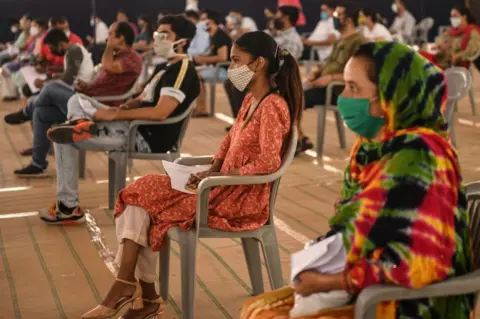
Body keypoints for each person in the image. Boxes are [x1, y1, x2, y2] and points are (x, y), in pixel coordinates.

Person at [240, 41, 475, 319]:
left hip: (412, 303)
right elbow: (358, 226)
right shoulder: (371, 147)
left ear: (390, 97)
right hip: (367, 283)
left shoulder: (420, 157)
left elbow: (417, 265)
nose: (344, 97)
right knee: (257, 309)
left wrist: (328, 282)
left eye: (354, 88)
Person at [78, 29, 302, 319]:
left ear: (259, 64)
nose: (231, 68)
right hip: (221, 186)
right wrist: (212, 168)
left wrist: (222, 175)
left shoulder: (273, 105)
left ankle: (136, 292)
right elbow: (228, 142)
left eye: (236, 61)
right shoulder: (250, 100)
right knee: (138, 194)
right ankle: (138, 292)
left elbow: (268, 163)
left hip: (239, 199)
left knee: (142, 198)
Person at [40, 14, 199, 229]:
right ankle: (79, 122)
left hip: (142, 135)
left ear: (183, 41)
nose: (158, 38)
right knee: (77, 99)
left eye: (165, 34)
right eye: (157, 33)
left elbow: (160, 113)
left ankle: (68, 207)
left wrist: (114, 115)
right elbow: (141, 99)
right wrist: (122, 108)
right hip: (130, 124)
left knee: (62, 139)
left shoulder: (182, 71)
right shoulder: (165, 68)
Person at [4, 22, 141, 177]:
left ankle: (26, 111)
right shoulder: (116, 56)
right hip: (88, 98)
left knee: (49, 88)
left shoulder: (132, 58)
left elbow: (108, 66)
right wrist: (86, 87)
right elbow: (105, 76)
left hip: (98, 106)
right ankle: (38, 164)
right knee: (41, 112)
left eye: (110, 34)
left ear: (121, 38)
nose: (107, 38)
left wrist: (109, 47)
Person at [298, 5, 365, 154]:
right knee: (289, 96)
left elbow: (359, 75)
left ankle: (298, 140)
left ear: (347, 20)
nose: (333, 18)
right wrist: (315, 73)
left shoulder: (359, 42)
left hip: (337, 90)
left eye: (337, 15)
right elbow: (328, 63)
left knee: (294, 100)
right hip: (324, 86)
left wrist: (331, 77)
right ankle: (299, 139)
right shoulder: (340, 40)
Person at [192, 9, 232, 116]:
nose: (201, 23)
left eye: (204, 20)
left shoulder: (220, 36)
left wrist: (203, 59)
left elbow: (223, 57)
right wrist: (201, 58)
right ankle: (200, 108)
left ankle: (201, 109)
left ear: (211, 21)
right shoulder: (213, 35)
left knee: (196, 76)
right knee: (193, 73)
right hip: (219, 68)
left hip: (224, 69)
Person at [422, 5, 480, 70]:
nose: (452, 19)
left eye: (455, 16)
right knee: (420, 55)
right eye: (451, 16)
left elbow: (474, 50)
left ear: (464, 17)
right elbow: (440, 44)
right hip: (441, 62)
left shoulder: (473, 31)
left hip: (452, 69)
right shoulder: (450, 32)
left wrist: (458, 56)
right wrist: (438, 47)